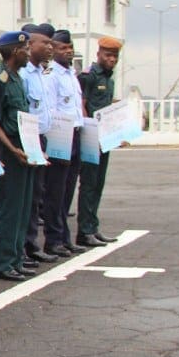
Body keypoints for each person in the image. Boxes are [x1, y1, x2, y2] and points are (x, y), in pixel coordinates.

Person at [0, 31, 38, 281]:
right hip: (10, 151)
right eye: (25, 49)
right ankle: (3, 262)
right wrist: (13, 149)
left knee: (22, 208)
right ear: (15, 52)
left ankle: (16, 259)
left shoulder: (17, 79)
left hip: (25, 150)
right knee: (9, 209)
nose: (29, 53)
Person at [77, 37, 124, 246]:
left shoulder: (109, 80)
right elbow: (82, 105)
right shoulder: (88, 76)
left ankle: (92, 228)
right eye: (108, 55)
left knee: (98, 184)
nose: (112, 59)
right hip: (91, 137)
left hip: (104, 138)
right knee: (88, 184)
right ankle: (84, 231)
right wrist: (88, 133)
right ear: (98, 55)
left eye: (115, 56)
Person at [42, 29, 84, 256]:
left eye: (70, 47)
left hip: (75, 134)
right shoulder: (51, 75)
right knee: (55, 192)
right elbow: (51, 110)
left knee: (67, 190)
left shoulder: (71, 74)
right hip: (60, 135)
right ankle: (54, 239)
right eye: (63, 48)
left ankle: (64, 237)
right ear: (53, 49)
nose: (68, 51)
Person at [20, 23, 59, 266]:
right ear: (30, 44)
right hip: (27, 140)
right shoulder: (24, 75)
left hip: (41, 138)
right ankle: (22, 248)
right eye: (44, 43)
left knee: (35, 196)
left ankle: (31, 245)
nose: (49, 47)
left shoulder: (41, 74)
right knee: (24, 198)